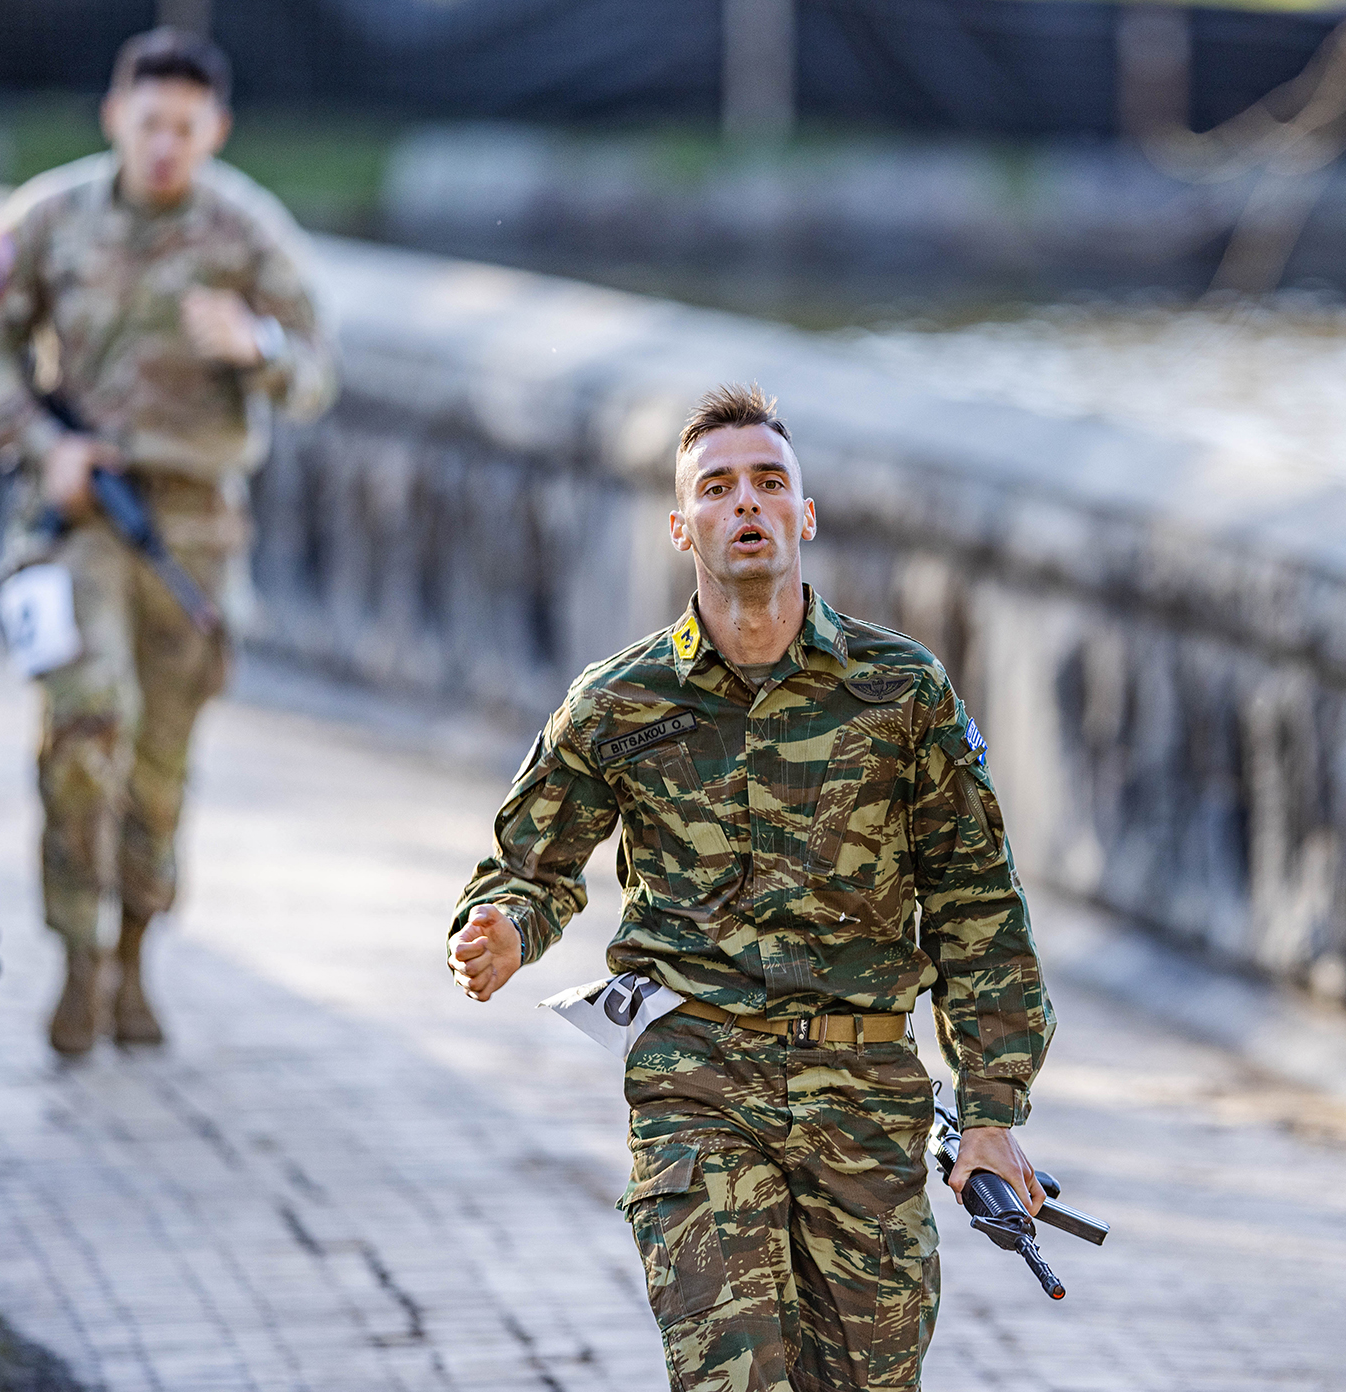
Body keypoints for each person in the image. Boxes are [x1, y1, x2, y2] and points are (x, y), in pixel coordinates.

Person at [448, 384, 1054, 1392]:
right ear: (682, 525)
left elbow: (976, 900)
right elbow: (532, 863)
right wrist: (506, 925)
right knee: (732, 1378)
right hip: (697, 1079)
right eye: (719, 486)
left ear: (804, 516)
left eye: (770, 483)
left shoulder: (900, 693)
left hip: (864, 1090)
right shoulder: (620, 701)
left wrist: (991, 1107)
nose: (748, 504)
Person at [0, 27, 337, 1055]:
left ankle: (133, 954)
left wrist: (262, 348)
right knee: (84, 720)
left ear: (216, 132)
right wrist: (36, 442)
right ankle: (73, 956)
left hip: (196, 529)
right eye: (148, 121)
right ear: (118, 116)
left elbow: (318, 367)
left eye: (186, 127)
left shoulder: (246, 233)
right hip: (79, 514)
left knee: (159, 766)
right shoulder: (52, 218)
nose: (164, 143)